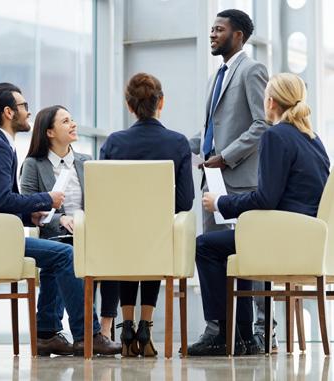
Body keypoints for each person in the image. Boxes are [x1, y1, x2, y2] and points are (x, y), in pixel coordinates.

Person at [0, 83, 121, 357]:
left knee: (57, 255)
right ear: (9, 112)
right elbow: (2, 201)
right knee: (64, 255)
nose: (28, 111)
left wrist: (30, 214)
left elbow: (2, 202)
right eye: (23, 106)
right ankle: (88, 336)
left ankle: (46, 334)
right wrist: (47, 199)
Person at [191, 72, 330, 356]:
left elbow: (266, 198)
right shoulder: (314, 141)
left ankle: (223, 333)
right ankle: (244, 337)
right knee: (239, 247)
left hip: (282, 240)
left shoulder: (275, 136)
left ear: (270, 102)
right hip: (309, 243)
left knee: (205, 246)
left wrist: (221, 203)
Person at [188, 8, 276, 354]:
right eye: (211, 28)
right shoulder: (218, 76)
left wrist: (226, 156)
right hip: (213, 180)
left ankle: (257, 332)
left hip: (239, 180)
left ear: (237, 35)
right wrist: (183, 146)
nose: (212, 34)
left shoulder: (252, 70)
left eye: (218, 29)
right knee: (214, 258)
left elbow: (262, 123)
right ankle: (222, 333)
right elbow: (211, 130)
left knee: (247, 258)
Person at [100, 72, 194, 356]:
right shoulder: (177, 143)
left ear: (129, 106)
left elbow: (104, 198)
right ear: (160, 102)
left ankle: (126, 326)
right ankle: (145, 326)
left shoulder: (114, 143)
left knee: (129, 247)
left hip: (121, 239)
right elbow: (185, 201)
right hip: (160, 238)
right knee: (154, 239)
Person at [20, 105, 120, 344]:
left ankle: (99, 330)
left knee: (112, 249)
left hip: (90, 231)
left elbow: (101, 200)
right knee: (64, 254)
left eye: (72, 119)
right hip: (57, 234)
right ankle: (59, 332)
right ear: (50, 132)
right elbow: (29, 206)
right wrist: (59, 218)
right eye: (65, 121)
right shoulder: (34, 164)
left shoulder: (86, 162)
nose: (73, 124)